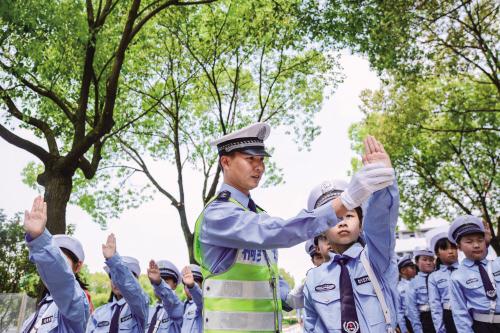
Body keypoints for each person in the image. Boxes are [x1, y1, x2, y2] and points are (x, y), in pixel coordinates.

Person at [193, 123, 395, 332]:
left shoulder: (259, 215)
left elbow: (271, 287)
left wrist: (297, 294)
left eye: (261, 159)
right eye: (250, 159)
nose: (259, 167)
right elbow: (279, 231)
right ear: (225, 162)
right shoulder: (218, 215)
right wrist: (344, 201)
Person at [303, 136, 399, 332]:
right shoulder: (314, 278)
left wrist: (381, 184)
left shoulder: (375, 258)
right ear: (322, 230)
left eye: (349, 215)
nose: (343, 222)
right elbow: (312, 327)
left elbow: (380, 224)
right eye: (334, 219)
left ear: (361, 223)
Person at [21, 196, 90, 333]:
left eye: (61, 260)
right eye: (47, 258)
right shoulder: (32, 317)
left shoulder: (75, 305)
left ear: (77, 267)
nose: (50, 266)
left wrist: (39, 239)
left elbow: (63, 280)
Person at [86, 234, 149, 332]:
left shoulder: (139, 307)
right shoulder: (98, 314)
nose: (116, 281)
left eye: (119, 278)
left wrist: (113, 261)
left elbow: (133, 291)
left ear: (135, 281)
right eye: (112, 277)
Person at [448, 215, 500, 332]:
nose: (476, 245)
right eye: (469, 241)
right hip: (484, 327)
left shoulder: (497, 264)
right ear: (459, 247)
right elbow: (460, 314)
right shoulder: (457, 276)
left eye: (480, 240)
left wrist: (488, 243)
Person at [426, 227, 458, 333]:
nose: (450, 252)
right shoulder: (434, 277)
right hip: (450, 316)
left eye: (453, 247)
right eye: (445, 248)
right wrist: (440, 329)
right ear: (437, 253)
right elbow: (435, 306)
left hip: (471, 314)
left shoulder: (466, 270)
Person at [284, 239, 324, 310]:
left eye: (327, 256)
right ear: (313, 261)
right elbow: (291, 301)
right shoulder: (310, 282)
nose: (324, 261)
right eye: (319, 257)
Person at [146, 260, 183, 333]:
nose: (158, 287)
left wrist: (159, 282)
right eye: (154, 283)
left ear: (175, 285)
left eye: (165, 283)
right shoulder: (148, 311)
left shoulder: (177, 308)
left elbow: (170, 299)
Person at [405, 248, 436, 333]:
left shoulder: (438, 279)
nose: (428, 262)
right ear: (417, 262)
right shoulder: (413, 283)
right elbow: (412, 310)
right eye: (424, 260)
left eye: (431, 260)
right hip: (426, 319)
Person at [180, 265, 204, 333]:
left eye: (195, 282)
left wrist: (192, 286)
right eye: (186, 285)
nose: (189, 288)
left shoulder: (203, 303)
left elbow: (201, 301)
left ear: (202, 285)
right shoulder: (182, 306)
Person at [396, 254, 416, 333]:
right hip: (409, 322)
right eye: (412, 267)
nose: (414, 269)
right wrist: (404, 330)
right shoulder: (399, 289)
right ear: (403, 271)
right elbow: (399, 311)